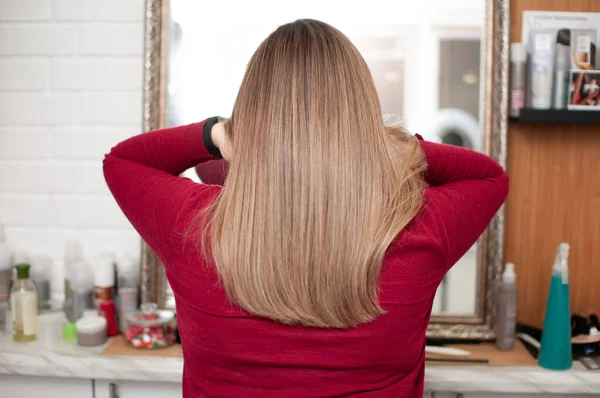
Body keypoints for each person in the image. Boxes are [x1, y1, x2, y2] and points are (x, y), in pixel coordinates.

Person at [104, 19, 508, 398]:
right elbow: (490, 178)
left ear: (251, 118)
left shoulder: (194, 226)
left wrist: (216, 133)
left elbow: (122, 162)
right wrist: (398, 144)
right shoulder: (419, 227)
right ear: (364, 118)